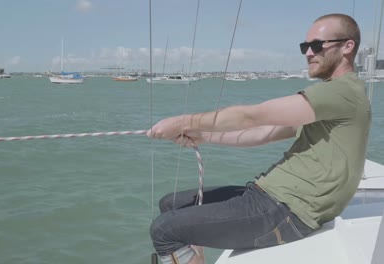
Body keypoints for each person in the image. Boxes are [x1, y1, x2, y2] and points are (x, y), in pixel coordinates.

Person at [146, 13, 371, 264]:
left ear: (347, 47)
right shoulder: (334, 99)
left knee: (164, 230)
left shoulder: (341, 92)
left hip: (287, 211)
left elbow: (254, 116)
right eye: (304, 46)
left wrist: (183, 121)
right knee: (171, 204)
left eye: (317, 45)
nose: (308, 53)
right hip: (267, 196)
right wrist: (203, 136)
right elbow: (264, 133)